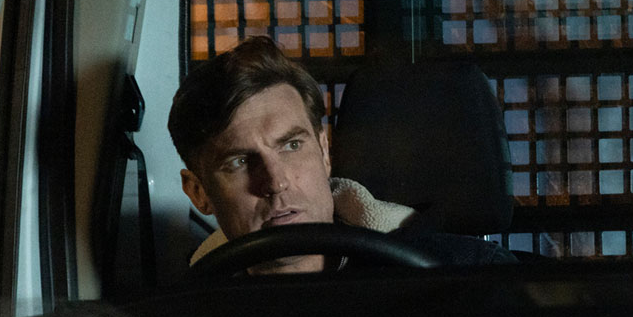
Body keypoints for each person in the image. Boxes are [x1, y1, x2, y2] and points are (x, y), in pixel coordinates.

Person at [167, 36, 515, 274]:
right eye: (240, 162)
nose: (276, 181)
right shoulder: (183, 316)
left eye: (292, 145)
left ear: (324, 152)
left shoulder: (468, 276)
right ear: (198, 192)